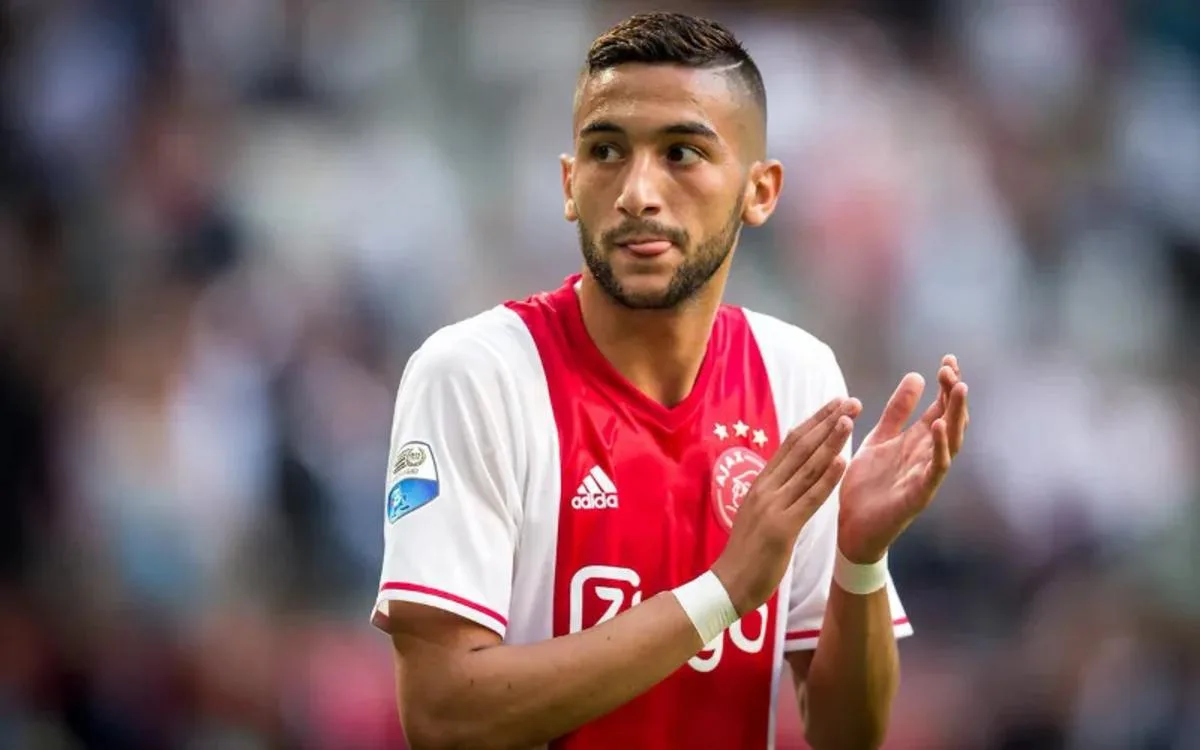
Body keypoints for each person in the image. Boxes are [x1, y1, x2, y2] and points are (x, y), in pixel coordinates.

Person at [372, 11, 970, 750]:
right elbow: (443, 714)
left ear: (760, 191)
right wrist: (723, 593)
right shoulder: (476, 376)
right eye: (606, 151)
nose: (637, 192)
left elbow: (848, 734)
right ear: (569, 184)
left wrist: (861, 560)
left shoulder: (798, 379)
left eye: (681, 153)